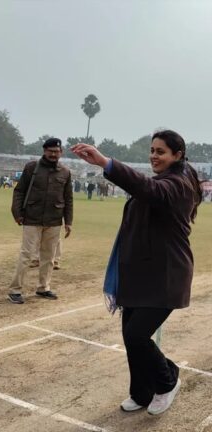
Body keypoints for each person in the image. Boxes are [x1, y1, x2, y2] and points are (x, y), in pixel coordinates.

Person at [70, 129, 200, 416]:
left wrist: (106, 162)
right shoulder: (163, 181)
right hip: (140, 275)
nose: (154, 156)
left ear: (177, 155)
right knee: (131, 338)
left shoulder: (178, 184)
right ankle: (141, 392)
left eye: (161, 152)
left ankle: (167, 381)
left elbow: (148, 189)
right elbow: (145, 190)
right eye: (152, 150)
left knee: (136, 336)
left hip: (166, 277)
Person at [7, 137, 72, 304]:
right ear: (44, 151)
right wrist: (17, 213)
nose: (53, 154)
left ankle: (44, 287)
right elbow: (19, 191)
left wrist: (68, 221)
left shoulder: (65, 172)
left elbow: (68, 198)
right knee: (26, 255)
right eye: (50, 151)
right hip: (32, 217)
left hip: (54, 220)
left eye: (56, 152)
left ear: (61, 152)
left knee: (49, 257)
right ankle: (15, 290)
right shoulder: (32, 168)